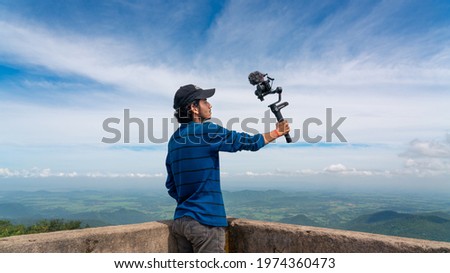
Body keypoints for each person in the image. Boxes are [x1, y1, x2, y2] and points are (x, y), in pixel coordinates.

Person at [165, 84, 290, 253]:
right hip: (206, 222)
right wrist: (277, 132)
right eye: (205, 101)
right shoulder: (206, 131)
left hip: (181, 223)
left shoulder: (174, 140)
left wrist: (188, 201)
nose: (210, 105)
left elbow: (172, 186)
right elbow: (248, 142)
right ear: (193, 108)